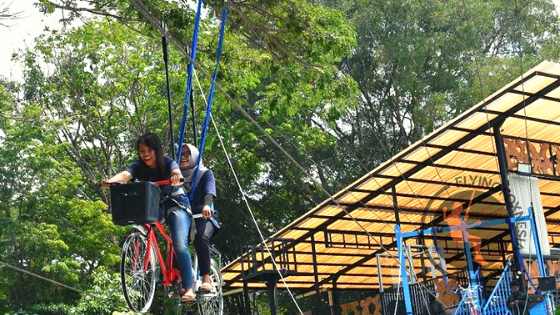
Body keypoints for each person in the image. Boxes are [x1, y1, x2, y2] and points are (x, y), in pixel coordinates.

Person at [102, 133, 196, 303]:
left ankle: (189, 287)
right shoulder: (138, 166)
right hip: (155, 205)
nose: (144, 154)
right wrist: (111, 181)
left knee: (179, 243)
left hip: (177, 204)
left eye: (148, 150)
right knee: (143, 220)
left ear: (156, 150)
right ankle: (149, 253)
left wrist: (175, 177)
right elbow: (125, 175)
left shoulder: (167, 162)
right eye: (141, 151)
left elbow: (176, 171)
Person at [179, 143, 219, 292]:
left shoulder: (204, 173)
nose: (183, 158)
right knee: (177, 243)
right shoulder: (176, 176)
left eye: (187, 154)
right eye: (181, 154)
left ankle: (206, 277)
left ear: (194, 155)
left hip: (204, 217)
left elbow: (209, 191)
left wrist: (207, 205)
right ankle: (184, 280)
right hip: (186, 218)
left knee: (200, 238)